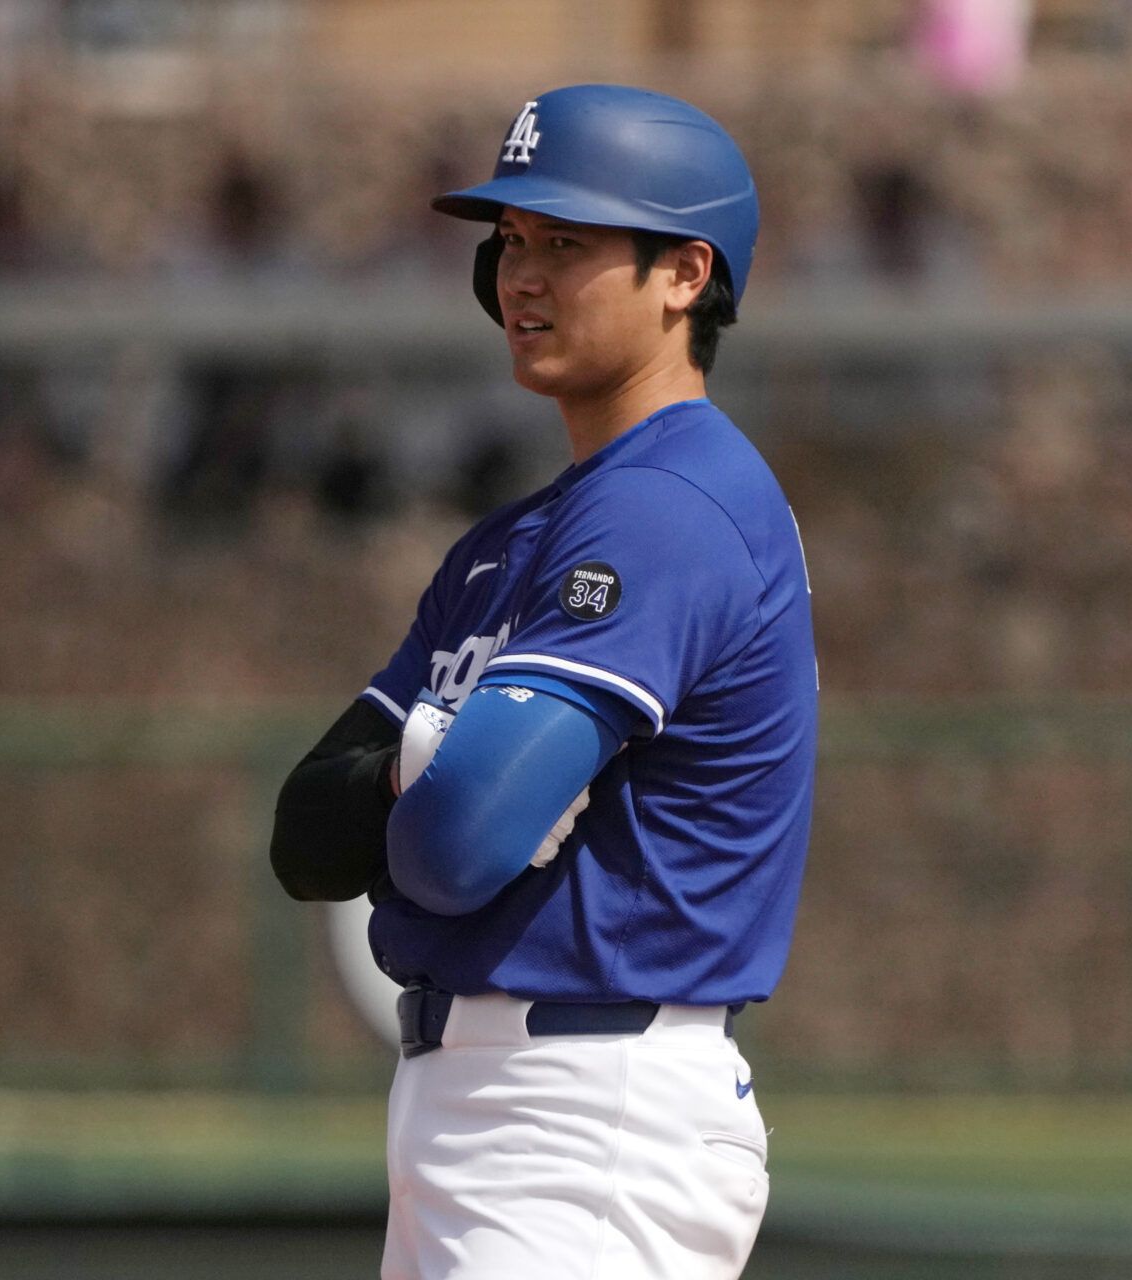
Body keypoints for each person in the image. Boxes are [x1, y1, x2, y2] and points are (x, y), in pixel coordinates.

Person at [268, 85, 817, 1279]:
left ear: (685, 273)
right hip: (482, 1108)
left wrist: (425, 780)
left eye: (567, 243)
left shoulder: (672, 504)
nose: (522, 275)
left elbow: (454, 841)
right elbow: (311, 837)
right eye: (511, 242)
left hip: (590, 1110)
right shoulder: (507, 547)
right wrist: (435, 763)